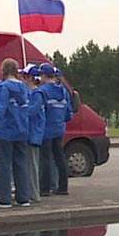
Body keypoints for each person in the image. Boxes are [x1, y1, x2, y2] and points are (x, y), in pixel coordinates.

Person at [0, 60, 31, 208]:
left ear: (3, 70)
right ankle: (23, 198)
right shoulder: (24, 87)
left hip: (7, 131)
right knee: (21, 165)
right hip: (22, 130)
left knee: (4, 165)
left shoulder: (3, 87)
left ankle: (4, 199)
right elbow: (26, 109)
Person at [39, 63, 75, 195]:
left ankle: (45, 188)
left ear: (44, 75)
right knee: (60, 157)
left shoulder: (43, 91)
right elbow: (68, 113)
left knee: (46, 159)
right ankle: (63, 187)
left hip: (47, 129)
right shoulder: (63, 91)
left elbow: (40, 111)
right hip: (59, 129)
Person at [22, 65, 45, 203]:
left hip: (33, 134)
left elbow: (30, 112)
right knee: (28, 164)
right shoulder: (30, 93)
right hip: (29, 133)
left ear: (30, 78)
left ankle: (34, 194)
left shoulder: (37, 94)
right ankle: (29, 192)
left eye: (24, 76)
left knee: (32, 165)